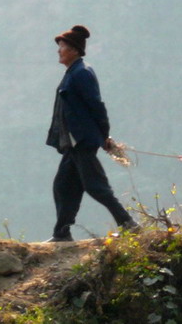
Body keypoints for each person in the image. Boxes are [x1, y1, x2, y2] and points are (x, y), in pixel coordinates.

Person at [45, 25, 138, 242]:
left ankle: (128, 224)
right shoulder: (73, 73)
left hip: (82, 141)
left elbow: (96, 106)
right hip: (73, 144)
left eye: (63, 47)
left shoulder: (82, 73)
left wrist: (104, 135)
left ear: (75, 50)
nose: (59, 51)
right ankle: (62, 233)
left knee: (96, 186)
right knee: (63, 186)